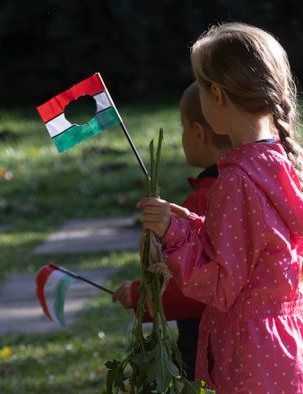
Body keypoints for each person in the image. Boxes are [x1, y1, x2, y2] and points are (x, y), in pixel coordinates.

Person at [137, 22, 303, 393]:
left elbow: (219, 286)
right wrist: (197, 224)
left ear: (215, 94)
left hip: (249, 355)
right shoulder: (293, 160)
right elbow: (259, 246)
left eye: (199, 84)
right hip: (290, 346)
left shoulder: (236, 179)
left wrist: (173, 233)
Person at [112, 81, 231, 380]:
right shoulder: (245, 184)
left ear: (198, 133)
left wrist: (142, 296)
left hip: (209, 343)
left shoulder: (206, 197)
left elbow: (197, 286)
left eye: (182, 127)